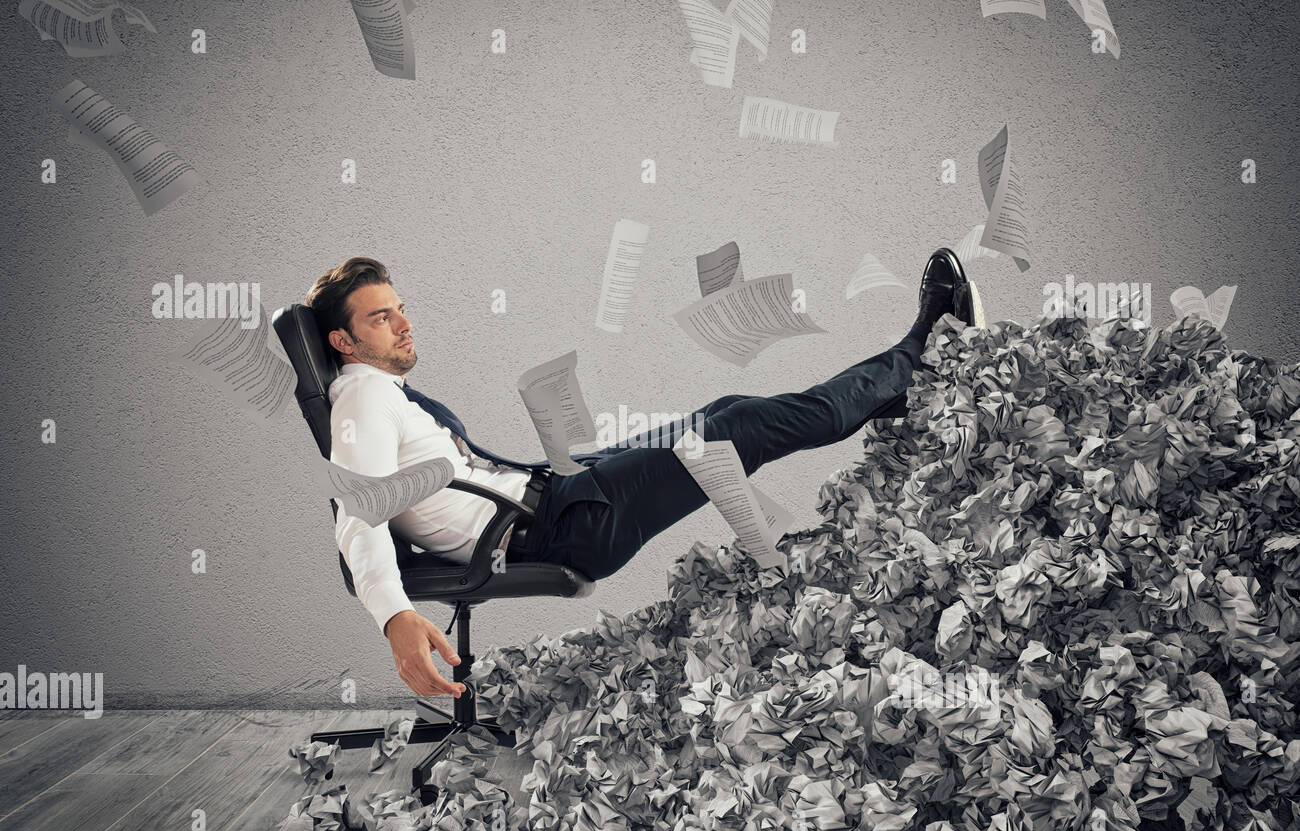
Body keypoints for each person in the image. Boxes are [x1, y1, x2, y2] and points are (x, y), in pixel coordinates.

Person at [305, 251, 983, 698]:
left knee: (726, 415)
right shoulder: (361, 398)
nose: (403, 322)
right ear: (343, 340)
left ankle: (894, 389)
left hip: (560, 495)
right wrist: (395, 618)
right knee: (739, 430)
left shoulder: (377, 391)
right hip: (563, 525)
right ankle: (923, 347)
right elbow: (359, 513)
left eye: (400, 305)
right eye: (380, 316)